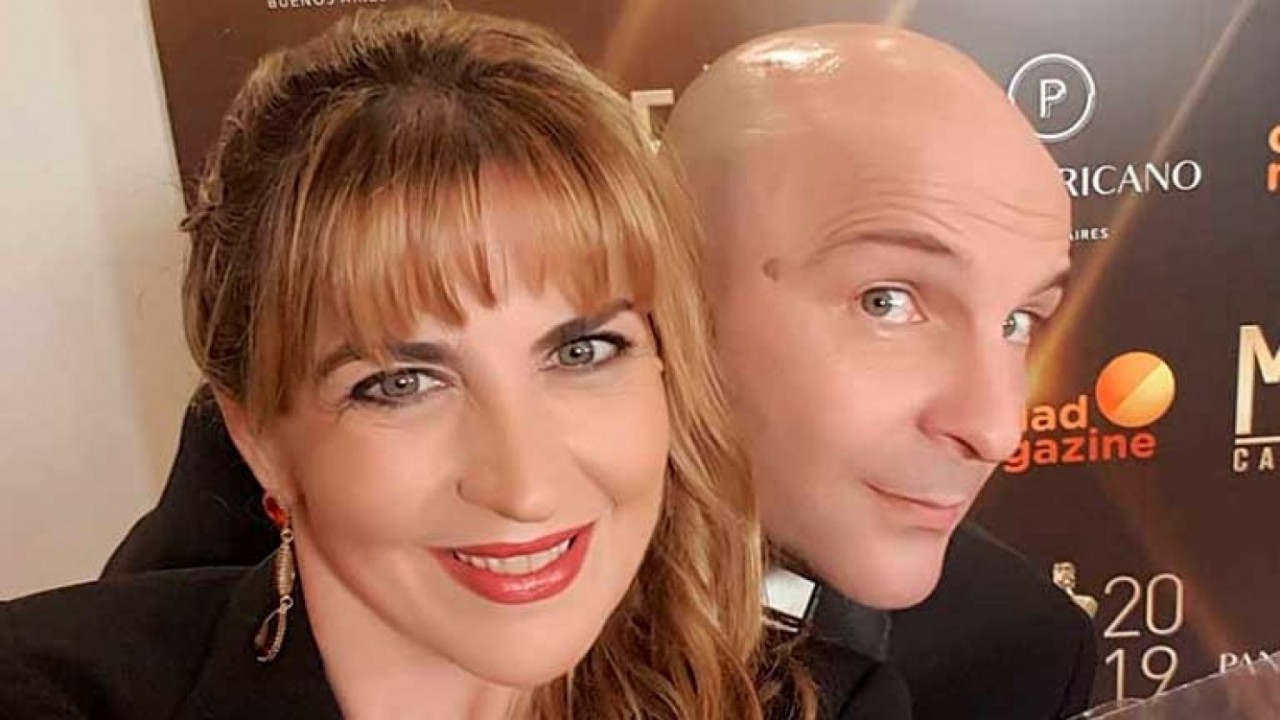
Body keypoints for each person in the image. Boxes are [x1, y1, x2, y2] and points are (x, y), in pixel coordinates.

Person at [0, 9, 904, 719]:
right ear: (258, 439)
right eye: (401, 383)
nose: (524, 486)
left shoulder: (814, 706)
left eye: (583, 350)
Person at [662, 23, 1096, 720]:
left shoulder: (1023, 652)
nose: (997, 430)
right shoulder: (499, 634)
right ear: (675, 292)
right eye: (886, 302)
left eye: (1018, 321)